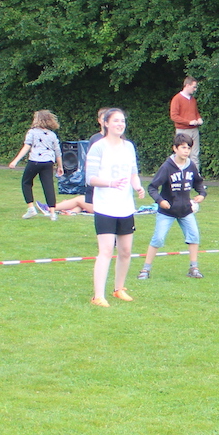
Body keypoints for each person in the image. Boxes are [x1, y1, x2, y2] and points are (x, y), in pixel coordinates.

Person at [86, 108, 144, 306]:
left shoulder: (129, 147)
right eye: (116, 121)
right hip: (105, 207)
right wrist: (110, 183)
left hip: (125, 207)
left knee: (126, 250)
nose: (120, 124)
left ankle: (119, 289)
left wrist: (137, 187)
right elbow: (91, 178)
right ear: (106, 123)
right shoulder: (98, 147)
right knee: (106, 250)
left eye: (123, 121)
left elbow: (133, 173)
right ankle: (98, 296)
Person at [139, 133, 207, 280]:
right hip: (167, 212)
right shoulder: (167, 167)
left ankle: (193, 268)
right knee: (158, 238)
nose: (186, 151)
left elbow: (198, 183)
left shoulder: (191, 166)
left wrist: (201, 194)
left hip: (186, 210)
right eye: (183, 148)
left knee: (194, 236)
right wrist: (160, 201)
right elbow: (152, 187)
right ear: (175, 148)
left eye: (188, 148)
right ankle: (145, 270)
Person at [9, 110, 62, 218]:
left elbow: (27, 146)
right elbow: (58, 151)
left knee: (26, 182)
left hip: (35, 161)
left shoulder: (32, 132)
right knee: (48, 186)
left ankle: (31, 208)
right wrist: (60, 166)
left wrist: (15, 161)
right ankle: (52, 213)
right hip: (48, 162)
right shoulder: (52, 135)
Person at [169, 77, 203, 168]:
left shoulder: (193, 100)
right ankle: (181, 174)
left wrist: (199, 118)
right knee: (182, 154)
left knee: (195, 154)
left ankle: (195, 177)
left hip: (194, 130)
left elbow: (195, 113)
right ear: (187, 85)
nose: (195, 89)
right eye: (194, 87)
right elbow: (174, 116)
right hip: (182, 131)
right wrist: (188, 122)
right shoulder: (177, 99)